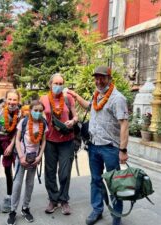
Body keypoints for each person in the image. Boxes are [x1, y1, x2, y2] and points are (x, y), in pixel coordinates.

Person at [68, 66, 129, 225]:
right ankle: (97, 209)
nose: (99, 81)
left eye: (102, 77)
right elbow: (89, 106)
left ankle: (117, 216)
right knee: (95, 180)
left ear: (109, 78)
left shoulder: (117, 98)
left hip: (110, 148)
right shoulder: (96, 96)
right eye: (96, 78)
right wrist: (75, 95)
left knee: (114, 182)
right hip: (93, 146)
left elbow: (124, 125)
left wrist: (123, 150)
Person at [40, 73, 78, 215]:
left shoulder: (68, 98)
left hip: (67, 141)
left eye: (61, 83)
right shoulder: (43, 99)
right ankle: (53, 199)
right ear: (50, 84)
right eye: (55, 83)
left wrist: (72, 121)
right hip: (49, 141)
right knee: (50, 172)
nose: (58, 86)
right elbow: (38, 115)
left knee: (64, 173)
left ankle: (64, 200)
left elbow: (76, 116)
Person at [7, 100, 48, 225]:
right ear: (30, 110)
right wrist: (21, 156)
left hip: (34, 159)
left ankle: (25, 208)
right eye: (35, 110)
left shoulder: (43, 123)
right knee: (17, 184)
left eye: (40, 111)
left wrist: (39, 156)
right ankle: (13, 210)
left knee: (30, 184)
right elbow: (18, 139)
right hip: (22, 158)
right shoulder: (23, 122)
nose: (38, 113)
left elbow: (44, 141)